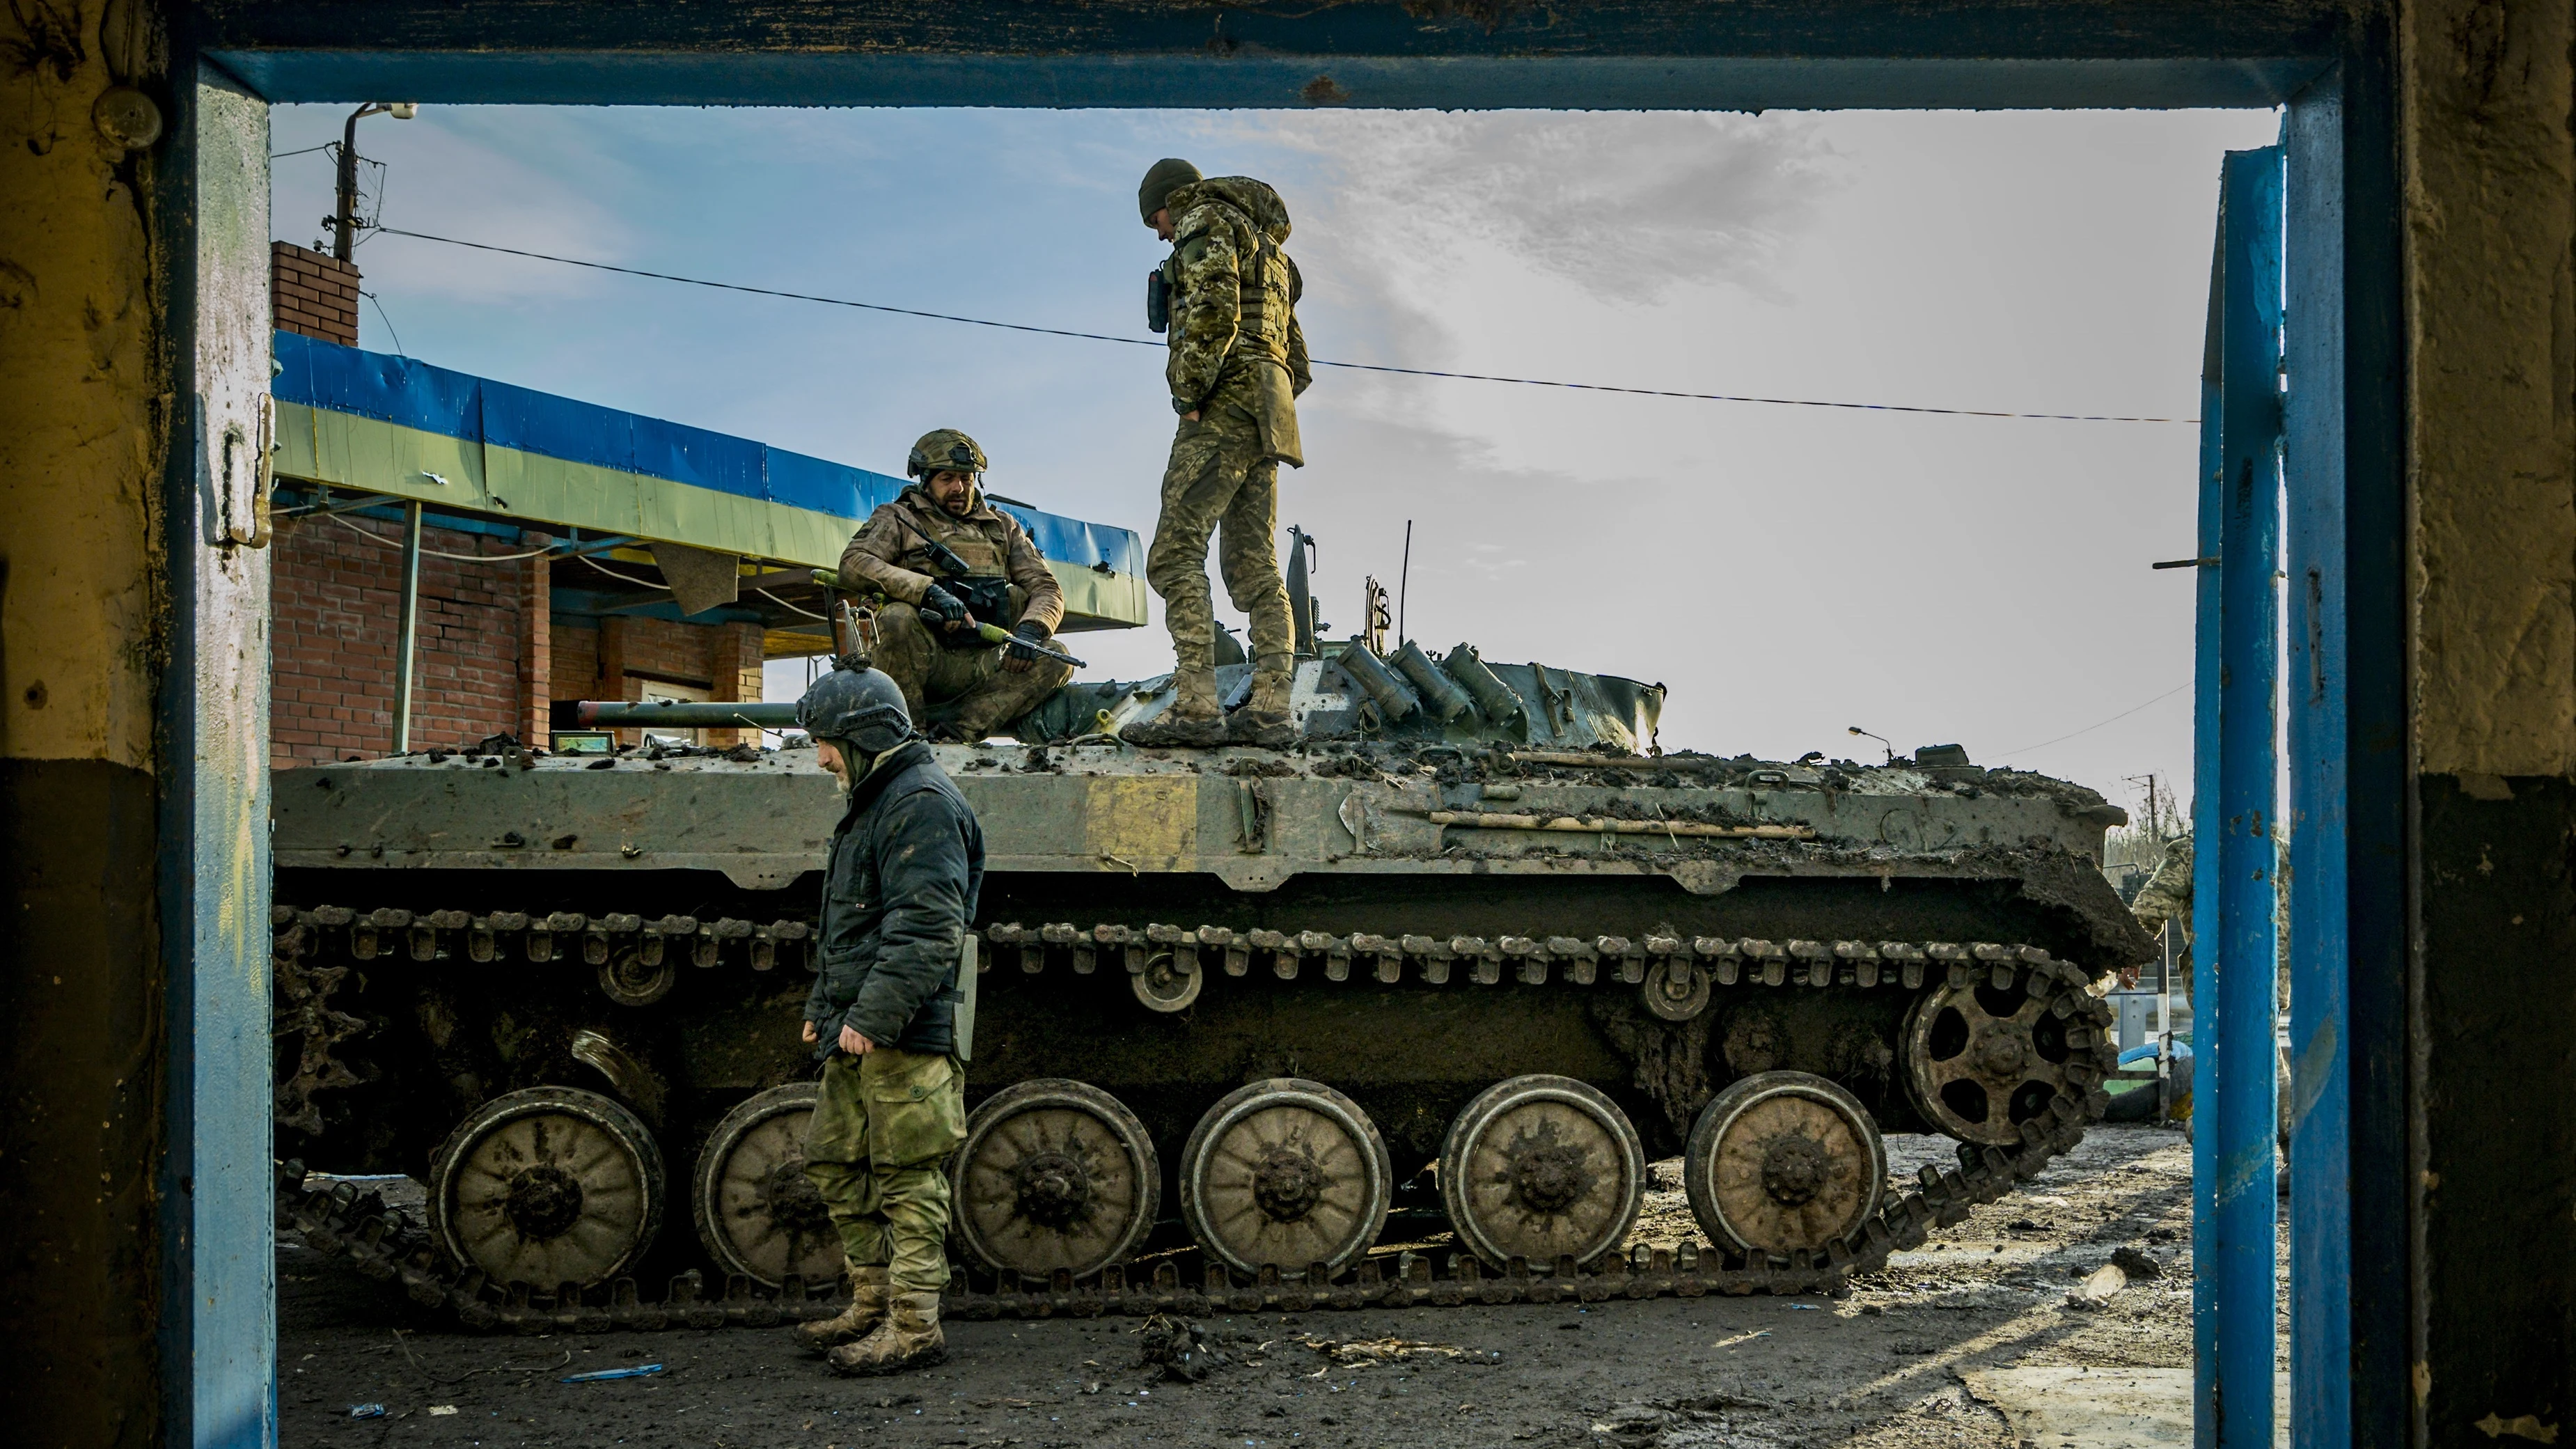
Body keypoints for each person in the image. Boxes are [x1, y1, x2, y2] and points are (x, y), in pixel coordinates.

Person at [790, 661, 981, 1376]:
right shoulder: (878, 799)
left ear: (865, 736)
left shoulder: (919, 802)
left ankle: (913, 1326)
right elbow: (850, 926)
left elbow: (927, 927)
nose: (821, 756)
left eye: (829, 740)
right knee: (837, 1160)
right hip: (862, 1022)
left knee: (907, 1178)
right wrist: (824, 1009)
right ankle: (871, 1301)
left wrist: (870, 1015)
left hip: (905, 1029)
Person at [1124, 157, 1310, 748]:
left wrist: (1192, 391)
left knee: (1173, 553)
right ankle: (1273, 707)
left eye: (1154, 218)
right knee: (1254, 562)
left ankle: (1196, 706)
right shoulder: (1270, 251)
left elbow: (1213, 309)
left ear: (1168, 201)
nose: (1158, 232)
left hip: (1224, 398)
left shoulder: (1202, 218)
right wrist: (1264, 394)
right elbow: (1297, 358)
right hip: (1270, 409)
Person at [839, 428, 1073, 742]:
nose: (959, 487)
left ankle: (959, 733)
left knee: (1056, 656)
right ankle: (907, 737)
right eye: (947, 478)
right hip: (924, 659)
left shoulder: (1002, 527)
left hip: (985, 663)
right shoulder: (898, 518)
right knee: (896, 618)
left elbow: (1046, 588)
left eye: (967, 478)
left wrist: (1031, 629)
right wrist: (927, 591)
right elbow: (854, 562)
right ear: (926, 479)